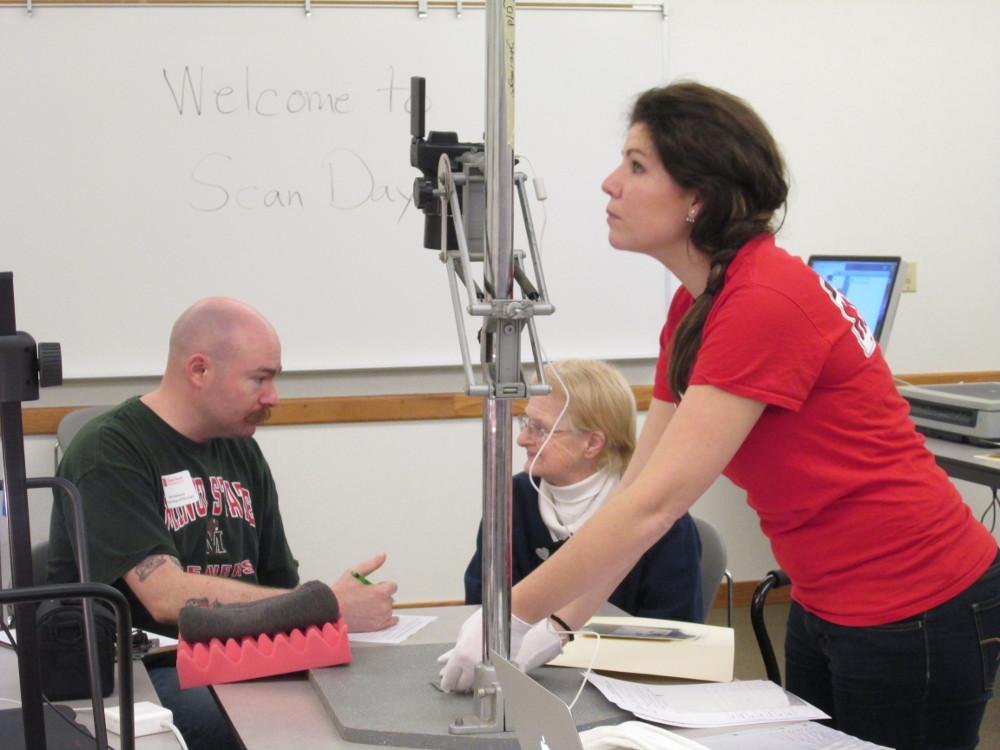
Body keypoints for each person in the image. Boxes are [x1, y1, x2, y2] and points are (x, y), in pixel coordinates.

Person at [440, 82, 1000, 750]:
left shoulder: (763, 299)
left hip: (916, 601)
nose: (609, 183)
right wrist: (560, 626)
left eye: (637, 166)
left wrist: (509, 614)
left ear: (699, 197)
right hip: (824, 599)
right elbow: (638, 498)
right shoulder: (696, 306)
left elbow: (654, 505)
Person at [47, 297, 398, 750]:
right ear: (199, 371)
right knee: (264, 727)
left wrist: (326, 614)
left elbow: (277, 584)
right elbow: (166, 596)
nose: (273, 396)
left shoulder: (240, 448)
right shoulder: (109, 450)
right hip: (151, 670)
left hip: (244, 655)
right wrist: (324, 605)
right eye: (260, 378)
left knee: (362, 695)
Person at [463, 359, 703, 622]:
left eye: (540, 428)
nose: (522, 439)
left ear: (592, 443)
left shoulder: (659, 520)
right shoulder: (512, 499)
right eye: (526, 423)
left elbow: (674, 636)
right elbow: (480, 605)